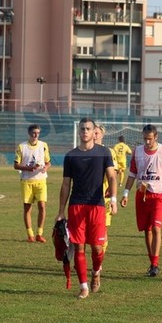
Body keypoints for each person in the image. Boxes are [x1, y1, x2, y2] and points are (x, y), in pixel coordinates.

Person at [56, 118, 117, 299]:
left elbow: (112, 177)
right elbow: (66, 184)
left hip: (97, 206)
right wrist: (61, 211)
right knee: (79, 247)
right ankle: (83, 286)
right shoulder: (71, 156)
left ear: (93, 132)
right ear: (79, 131)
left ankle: (96, 272)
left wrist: (113, 199)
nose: (85, 131)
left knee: (98, 248)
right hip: (77, 205)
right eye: (82, 129)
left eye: (88, 129)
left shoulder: (104, 152)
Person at [120, 124, 162, 277]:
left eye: (150, 139)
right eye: (145, 139)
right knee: (146, 230)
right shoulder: (137, 151)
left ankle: (155, 264)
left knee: (156, 228)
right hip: (142, 194)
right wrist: (125, 194)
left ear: (156, 136)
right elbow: (132, 173)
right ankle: (152, 263)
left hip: (159, 195)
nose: (147, 142)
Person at [14, 124, 51, 243]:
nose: (36, 135)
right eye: (34, 133)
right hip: (26, 181)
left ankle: (39, 233)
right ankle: (30, 234)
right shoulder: (22, 146)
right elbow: (16, 165)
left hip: (41, 181)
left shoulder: (43, 145)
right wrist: (29, 168)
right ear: (29, 133)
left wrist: (46, 168)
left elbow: (48, 162)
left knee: (42, 205)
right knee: (27, 208)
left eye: (38, 133)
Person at [94, 123, 117, 253]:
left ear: (102, 135)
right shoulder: (84, 150)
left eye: (97, 133)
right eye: (93, 133)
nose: (95, 136)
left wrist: (111, 188)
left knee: (103, 228)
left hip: (104, 197)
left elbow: (115, 173)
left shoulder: (109, 152)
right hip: (86, 197)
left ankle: (99, 260)